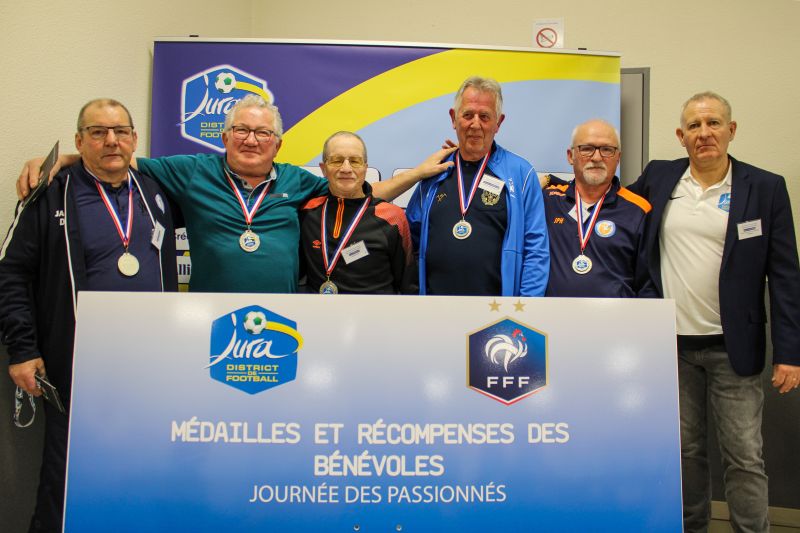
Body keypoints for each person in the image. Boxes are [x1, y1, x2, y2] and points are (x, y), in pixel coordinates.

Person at [18, 94, 454, 293]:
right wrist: (61, 159)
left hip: (286, 319)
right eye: (241, 130)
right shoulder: (191, 171)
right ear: (224, 137)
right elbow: (120, 159)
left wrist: (419, 173)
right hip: (209, 319)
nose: (251, 140)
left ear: (277, 144)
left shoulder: (296, 181)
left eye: (262, 133)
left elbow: (357, 189)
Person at [0, 98, 178, 532]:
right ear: (79, 142)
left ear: (135, 139)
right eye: (98, 132)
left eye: (120, 131)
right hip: (76, 361)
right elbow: (12, 274)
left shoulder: (155, 192)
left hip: (149, 362)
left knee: (140, 467)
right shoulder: (51, 193)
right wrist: (22, 349)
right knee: (66, 474)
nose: (111, 141)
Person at [628, 91, 800, 532]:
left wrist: (790, 353)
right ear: (680, 135)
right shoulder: (659, 177)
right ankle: (692, 527)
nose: (704, 133)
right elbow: (612, 207)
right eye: (694, 126)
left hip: (733, 349)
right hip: (672, 348)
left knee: (744, 456)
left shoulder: (765, 188)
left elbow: (785, 276)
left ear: (731, 130)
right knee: (685, 453)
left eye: (713, 123)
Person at [405, 76, 549, 296]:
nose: (475, 124)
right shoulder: (435, 171)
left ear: (498, 123)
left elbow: (536, 249)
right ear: (453, 118)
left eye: (484, 116)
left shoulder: (521, 173)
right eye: (468, 115)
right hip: (435, 306)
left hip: (497, 309)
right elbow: (411, 238)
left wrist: (526, 306)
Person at [543, 119, 653, 297]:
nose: (596, 157)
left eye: (607, 149)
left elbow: (648, 285)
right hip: (551, 314)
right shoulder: (547, 201)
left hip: (617, 315)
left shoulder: (639, 210)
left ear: (618, 158)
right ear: (570, 156)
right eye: (587, 148)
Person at [299, 131, 414, 294]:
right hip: (317, 309)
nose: (346, 169)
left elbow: (408, 283)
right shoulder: (306, 212)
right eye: (337, 160)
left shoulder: (392, 217)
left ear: (365, 168)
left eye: (355, 161)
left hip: (374, 310)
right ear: (323, 169)